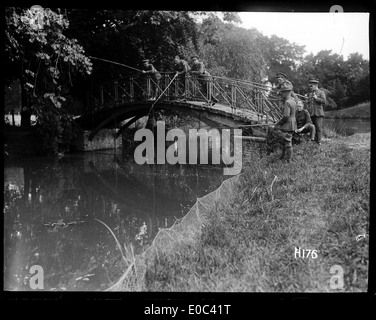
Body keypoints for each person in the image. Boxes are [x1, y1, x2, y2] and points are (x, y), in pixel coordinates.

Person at [274, 81, 297, 162]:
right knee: (285, 141)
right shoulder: (293, 100)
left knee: (287, 141)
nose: (282, 94)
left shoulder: (287, 102)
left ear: (286, 92)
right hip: (293, 123)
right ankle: (283, 157)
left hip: (288, 124)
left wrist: (279, 123)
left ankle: (289, 160)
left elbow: (286, 116)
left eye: (283, 92)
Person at [305, 79, 326, 145]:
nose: (310, 87)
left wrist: (316, 98)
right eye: (310, 86)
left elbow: (324, 101)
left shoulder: (321, 92)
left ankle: (319, 141)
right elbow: (308, 103)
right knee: (312, 127)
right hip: (312, 113)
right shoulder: (310, 94)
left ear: (316, 85)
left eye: (311, 86)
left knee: (318, 127)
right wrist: (306, 99)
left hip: (318, 113)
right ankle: (313, 140)